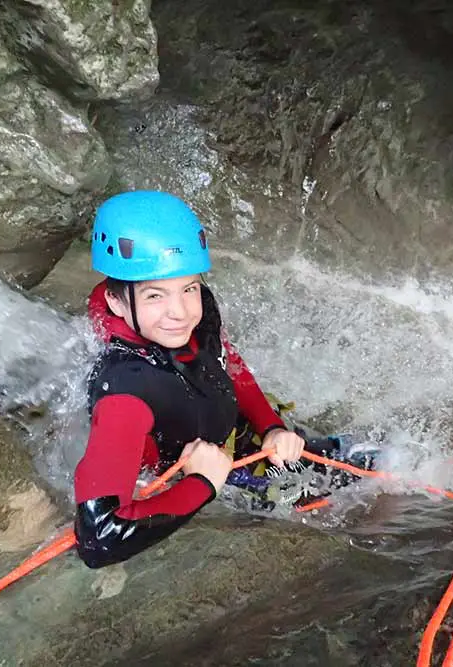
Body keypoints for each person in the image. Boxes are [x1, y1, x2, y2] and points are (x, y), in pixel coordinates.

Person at [73, 190, 311, 569]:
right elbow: (99, 538)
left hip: (235, 445)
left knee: (373, 462)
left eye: (189, 288)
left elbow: (226, 365)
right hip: (203, 476)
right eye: (155, 296)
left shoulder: (193, 314)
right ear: (117, 302)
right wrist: (201, 484)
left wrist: (271, 427)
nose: (180, 313)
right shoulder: (123, 395)